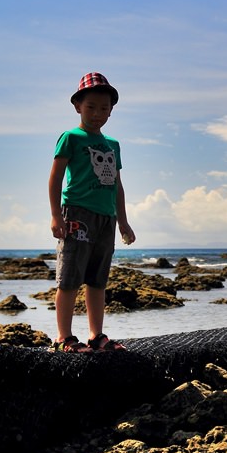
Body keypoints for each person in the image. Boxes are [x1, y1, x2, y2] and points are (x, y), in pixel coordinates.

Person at [48, 72, 136, 352]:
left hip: (106, 218)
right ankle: (64, 337)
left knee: (98, 280)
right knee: (70, 278)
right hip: (77, 214)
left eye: (104, 108)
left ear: (112, 109)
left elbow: (117, 186)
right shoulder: (71, 138)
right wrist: (56, 216)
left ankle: (96, 335)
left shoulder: (113, 145)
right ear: (77, 106)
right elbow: (55, 179)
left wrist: (123, 222)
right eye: (91, 108)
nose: (98, 114)